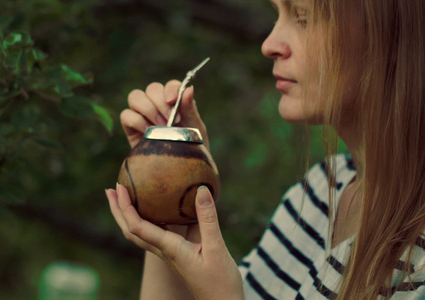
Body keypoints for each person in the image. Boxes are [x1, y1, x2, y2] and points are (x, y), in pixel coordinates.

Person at [105, 0, 425, 299]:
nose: (269, 45)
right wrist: (171, 196)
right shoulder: (320, 191)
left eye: (302, 18)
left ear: (390, 33)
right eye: (278, 14)